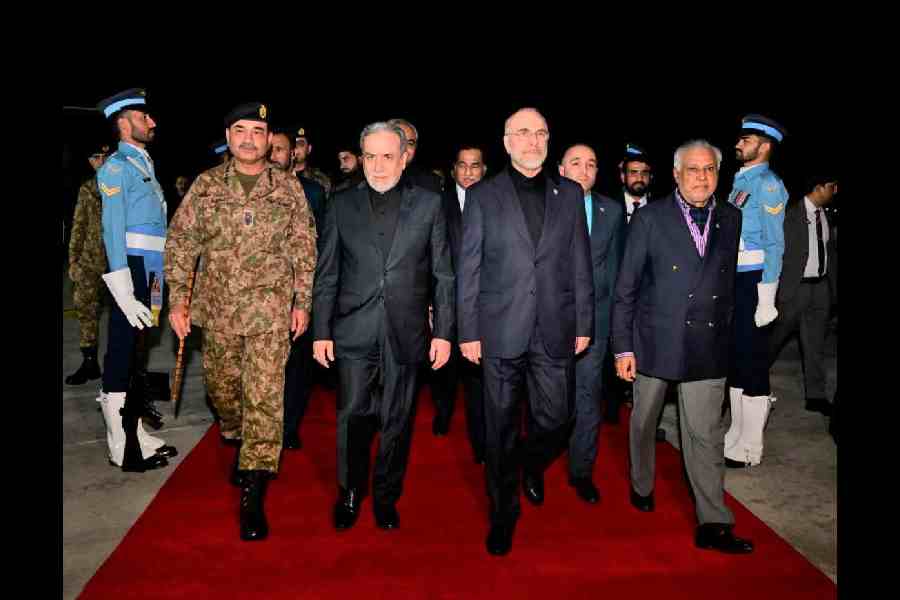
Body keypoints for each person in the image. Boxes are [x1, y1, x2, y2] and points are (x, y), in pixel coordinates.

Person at [166, 102, 317, 541]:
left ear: (270, 139)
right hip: (218, 312)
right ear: (229, 135)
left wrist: (301, 300)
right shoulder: (206, 186)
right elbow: (180, 244)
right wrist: (179, 302)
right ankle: (236, 433)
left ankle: (254, 487)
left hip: (270, 314)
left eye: (258, 130)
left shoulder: (287, 189)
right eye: (241, 130)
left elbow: (304, 249)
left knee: (266, 396)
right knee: (224, 390)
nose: (249, 139)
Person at [456, 108, 593, 556]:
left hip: (555, 326)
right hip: (498, 329)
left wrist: (585, 322)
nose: (532, 141)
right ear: (507, 141)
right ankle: (502, 515)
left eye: (540, 133)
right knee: (498, 428)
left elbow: (579, 262)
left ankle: (525, 465)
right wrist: (468, 330)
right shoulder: (482, 195)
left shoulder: (569, 193)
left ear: (548, 140)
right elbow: (469, 267)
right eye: (523, 133)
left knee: (558, 418)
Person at [612, 139, 753, 554]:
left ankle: (714, 522)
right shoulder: (650, 219)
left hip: (707, 343)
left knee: (705, 436)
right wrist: (623, 348)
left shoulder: (732, 217)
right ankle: (642, 482)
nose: (702, 177)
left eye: (709, 169)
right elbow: (626, 290)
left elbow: (727, 285)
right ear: (676, 174)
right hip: (656, 341)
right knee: (643, 422)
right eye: (693, 169)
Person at [312, 121, 454, 532]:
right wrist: (322, 330)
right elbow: (327, 274)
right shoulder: (340, 203)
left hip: (406, 330)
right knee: (352, 414)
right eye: (369, 156)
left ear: (405, 157)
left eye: (387, 156)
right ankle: (350, 491)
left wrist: (443, 332)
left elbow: (444, 275)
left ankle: (387, 495)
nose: (377, 166)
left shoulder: (429, 204)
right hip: (354, 329)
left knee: (398, 418)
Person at [94, 88, 177, 472]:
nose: (152, 122)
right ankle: (119, 443)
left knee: (138, 351)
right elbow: (112, 229)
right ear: (123, 122)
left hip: (152, 268)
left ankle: (134, 429)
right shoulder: (116, 167)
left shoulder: (143, 163)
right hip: (132, 267)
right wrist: (122, 284)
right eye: (145, 118)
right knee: (122, 350)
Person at [557, 143, 623, 503]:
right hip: (547, 323)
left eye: (592, 164)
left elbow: (614, 273)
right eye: (576, 163)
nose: (585, 170)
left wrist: (614, 330)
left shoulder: (610, 211)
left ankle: (582, 470)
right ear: (561, 169)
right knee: (546, 402)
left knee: (587, 397)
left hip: (594, 324)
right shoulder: (544, 205)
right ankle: (535, 459)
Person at [724, 114, 787, 469]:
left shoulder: (768, 184)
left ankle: (751, 446)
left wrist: (768, 296)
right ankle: (735, 433)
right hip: (736, 280)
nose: (739, 143)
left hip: (755, 282)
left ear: (764, 147)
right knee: (736, 360)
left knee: (753, 362)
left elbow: (775, 244)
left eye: (746, 140)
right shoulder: (741, 181)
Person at [428, 144, 487, 466]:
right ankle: (443, 412)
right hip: (446, 299)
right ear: (453, 170)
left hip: (482, 303)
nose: (468, 172)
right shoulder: (438, 203)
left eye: (474, 165)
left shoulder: (494, 202)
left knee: (478, 374)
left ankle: (480, 439)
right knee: (445, 367)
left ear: (484, 169)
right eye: (462, 165)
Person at [269, 128, 326, 450]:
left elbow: (321, 246)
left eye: (281, 150)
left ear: (293, 155)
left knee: (296, 368)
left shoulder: (313, 193)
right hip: (260, 299)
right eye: (271, 148)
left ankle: (289, 426)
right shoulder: (250, 189)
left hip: (300, 295)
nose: (275, 154)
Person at [769, 172, 838, 416]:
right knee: (773, 341)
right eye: (832, 185)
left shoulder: (825, 215)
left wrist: (832, 291)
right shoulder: (790, 215)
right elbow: (776, 256)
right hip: (793, 289)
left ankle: (816, 396)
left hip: (820, 289)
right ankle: (752, 383)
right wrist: (774, 294)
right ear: (818, 187)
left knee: (815, 344)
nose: (835, 190)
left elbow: (830, 254)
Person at [66, 143, 110, 385]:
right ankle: (90, 362)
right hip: (89, 262)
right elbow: (78, 225)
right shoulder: (87, 189)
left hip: (117, 262)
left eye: (104, 156)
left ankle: (123, 365)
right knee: (86, 311)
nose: (100, 161)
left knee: (123, 316)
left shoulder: (122, 185)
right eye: (95, 157)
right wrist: (73, 260)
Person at [387, 118, 442, 193]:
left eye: (410, 143)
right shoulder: (368, 179)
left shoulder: (429, 183)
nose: (404, 148)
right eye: (399, 140)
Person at [293, 127, 332, 194]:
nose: (295, 148)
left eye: (300, 144)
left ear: (309, 149)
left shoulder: (320, 180)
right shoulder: (279, 176)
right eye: (293, 144)